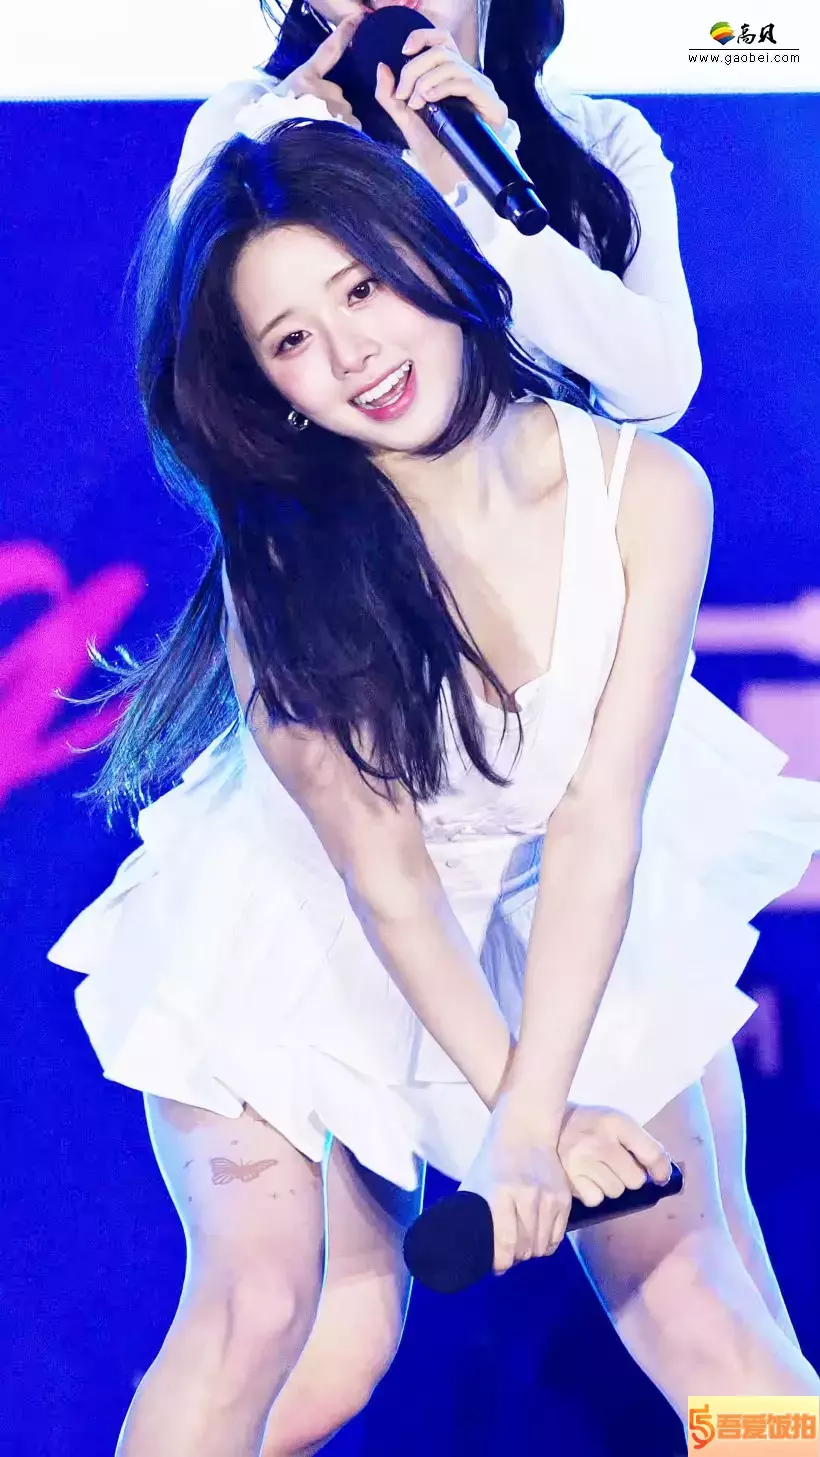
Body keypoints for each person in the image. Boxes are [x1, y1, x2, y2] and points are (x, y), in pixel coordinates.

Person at [50, 119, 820, 1457]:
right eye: (292, 339)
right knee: (283, 1317)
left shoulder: (646, 491)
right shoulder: (284, 562)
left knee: (705, 1313)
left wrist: (532, 1115)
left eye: (362, 287)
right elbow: (385, 875)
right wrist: (526, 1127)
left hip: (561, 913)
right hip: (298, 924)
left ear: (429, 253)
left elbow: (598, 823)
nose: (353, 353)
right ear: (271, 387)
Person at [170, 0, 702, 432]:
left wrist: (480, 204)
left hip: (548, 515)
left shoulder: (599, 139)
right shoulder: (248, 129)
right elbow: (219, 405)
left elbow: (657, 392)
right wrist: (297, 158)